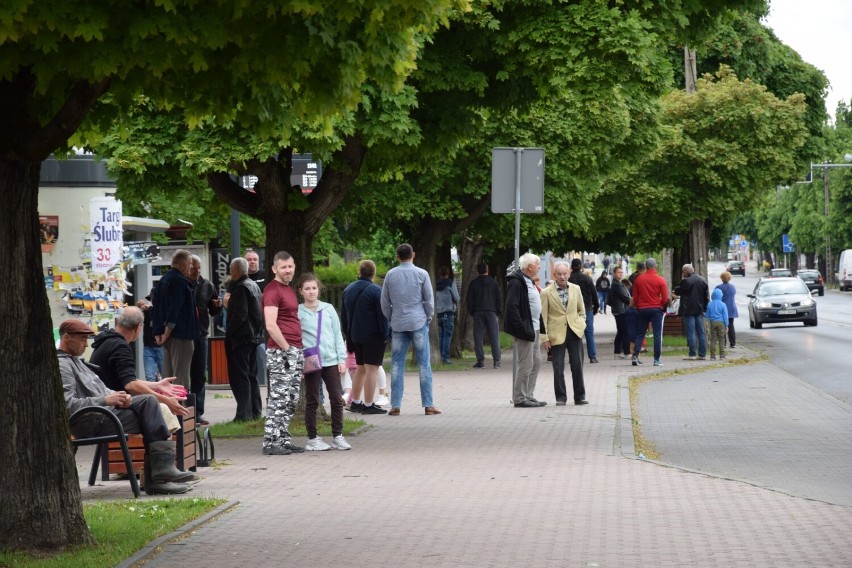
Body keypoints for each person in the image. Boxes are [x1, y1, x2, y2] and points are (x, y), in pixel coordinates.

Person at [59, 319, 196, 495]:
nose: (86, 344)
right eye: (82, 339)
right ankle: (159, 476)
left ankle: (160, 474)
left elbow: (103, 389)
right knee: (152, 410)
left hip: (102, 414)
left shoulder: (75, 361)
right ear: (67, 338)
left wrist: (122, 398)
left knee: (150, 404)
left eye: (87, 339)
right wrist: (106, 400)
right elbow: (67, 405)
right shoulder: (63, 365)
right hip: (91, 420)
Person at [89, 306, 191, 422]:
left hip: (102, 405)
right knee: (161, 409)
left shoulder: (107, 341)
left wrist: (157, 385)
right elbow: (131, 385)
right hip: (109, 410)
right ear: (138, 327)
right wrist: (166, 400)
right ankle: (161, 440)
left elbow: (127, 379)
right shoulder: (120, 347)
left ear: (118, 322)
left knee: (156, 405)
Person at [381, 243, 441, 416]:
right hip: (418, 321)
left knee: (397, 364)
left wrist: (391, 317)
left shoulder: (390, 275)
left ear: (397, 256)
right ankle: (428, 405)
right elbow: (429, 300)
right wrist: (427, 317)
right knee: (424, 363)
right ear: (413, 255)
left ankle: (396, 405)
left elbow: (384, 301)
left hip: (399, 323)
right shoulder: (422, 274)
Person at [297, 273, 350, 451]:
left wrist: (341, 359)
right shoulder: (298, 312)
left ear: (319, 289)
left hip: (331, 360)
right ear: (301, 291)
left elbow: (337, 334)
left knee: (336, 398)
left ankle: (338, 436)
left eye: (314, 288)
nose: (311, 292)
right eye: (307, 288)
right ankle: (313, 438)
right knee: (312, 399)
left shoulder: (328, 309)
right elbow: (296, 339)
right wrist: (299, 365)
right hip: (311, 359)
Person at [262, 251, 306, 455]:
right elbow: (271, 325)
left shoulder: (288, 289)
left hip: (294, 349)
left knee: (290, 399)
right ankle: (270, 442)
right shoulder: (272, 290)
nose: (288, 270)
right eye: (283, 267)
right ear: (274, 269)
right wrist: (287, 349)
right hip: (281, 351)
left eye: (290, 266)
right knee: (279, 399)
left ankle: (283, 439)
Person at [340, 260, 390, 415]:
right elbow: (382, 315)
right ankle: (368, 404)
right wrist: (385, 334)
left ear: (359, 272)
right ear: (373, 273)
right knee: (372, 369)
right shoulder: (376, 290)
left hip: (354, 335)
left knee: (360, 369)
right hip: (372, 335)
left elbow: (344, 316)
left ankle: (355, 402)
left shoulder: (348, 289)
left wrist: (347, 334)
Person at [540, 260, 588, 406]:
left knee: (577, 365)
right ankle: (561, 397)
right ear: (554, 275)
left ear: (569, 274)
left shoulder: (576, 289)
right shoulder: (546, 292)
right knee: (558, 367)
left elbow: (582, 310)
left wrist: (581, 324)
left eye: (565, 274)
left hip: (574, 331)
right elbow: (543, 317)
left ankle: (579, 396)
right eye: (559, 274)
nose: (562, 277)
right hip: (556, 334)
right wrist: (544, 338)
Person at [152, 249, 199, 388]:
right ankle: (180, 408)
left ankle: (169, 408)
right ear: (183, 265)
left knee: (168, 376)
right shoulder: (180, 281)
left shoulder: (163, 280)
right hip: (181, 334)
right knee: (181, 377)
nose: (191, 268)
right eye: (190, 264)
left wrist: (158, 333)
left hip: (167, 336)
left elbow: (157, 307)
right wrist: (167, 331)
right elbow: (175, 308)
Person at [225, 257, 265, 422]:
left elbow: (240, 315)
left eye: (230, 269)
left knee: (240, 377)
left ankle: (243, 414)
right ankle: (255, 412)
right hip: (253, 337)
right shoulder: (254, 285)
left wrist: (230, 332)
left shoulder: (241, 288)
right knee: (251, 376)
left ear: (235, 270)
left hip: (241, 338)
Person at [504, 252, 546, 408]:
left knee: (537, 362)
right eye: (537, 265)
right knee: (526, 364)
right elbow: (512, 307)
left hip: (533, 328)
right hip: (525, 330)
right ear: (529, 267)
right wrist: (521, 327)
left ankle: (529, 394)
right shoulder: (516, 282)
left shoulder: (529, 281)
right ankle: (520, 398)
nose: (539, 267)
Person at [188, 255, 222, 425]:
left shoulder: (207, 285)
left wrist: (217, 306)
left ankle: (197, 412)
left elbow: (214, 311)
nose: (196, 271)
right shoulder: (182, 284)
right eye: (193, 267)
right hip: (184, 336)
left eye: (198, 268)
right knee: (183, 374)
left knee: (199, 375)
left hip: (201, 335)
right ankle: (183, 410)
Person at [631, 258, 669, 367]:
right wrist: (661, 306)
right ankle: (656, 359)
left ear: (646, 266)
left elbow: (635, 297)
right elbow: (665, 298)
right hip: (656, 309)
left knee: (640, 333)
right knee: (657, 335)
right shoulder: (660, 280)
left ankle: (635, 356)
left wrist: (639, 306)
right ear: (655, 266)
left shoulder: (639, 279)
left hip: (642, 309)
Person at [466, 262, 502, 369]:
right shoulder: (493, 283)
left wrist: (471, 311)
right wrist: (498, 311)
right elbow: (498, 298)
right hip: (491, 311)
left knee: (478, 336)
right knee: (494, 336)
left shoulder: (473, 283)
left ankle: (480, 361)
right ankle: (496, 361)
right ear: (487, 270)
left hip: (478, 312)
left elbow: (469, 299)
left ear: (478, 271)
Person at [673, 264, 709, 361]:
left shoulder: (686, 281)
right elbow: (706, 297)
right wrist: (704, 308)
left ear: (685, 272)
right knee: (701, 332)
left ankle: (692, 354)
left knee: (691, 332)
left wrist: (681, 280)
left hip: (688, 310)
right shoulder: (702, 280)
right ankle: (702, 354)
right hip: (699, 310)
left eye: (683, 272)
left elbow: (677, 291)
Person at [244, 249, 268, 390]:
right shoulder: (241, 277)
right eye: (249, 259)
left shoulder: (265, 276)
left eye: (254, 259)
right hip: (248, 326)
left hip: (265, 322)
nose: (252, 262)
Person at [569, 258, 599, 363]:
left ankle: (574, 357)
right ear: (581, 266)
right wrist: (596, 307)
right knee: (589, 333)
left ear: (571, 267)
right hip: (587, 308)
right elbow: (594, 294)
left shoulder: (569, 279)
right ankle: (592, 357)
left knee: (574, 333)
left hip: (573, 310)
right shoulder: (587, 278)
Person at [435, 266, 460, 364]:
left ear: (439, 274)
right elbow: (457, 297)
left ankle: (439, 355)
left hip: (438, 313)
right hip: (448, 312)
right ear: (448, 274)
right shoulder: (450, 283)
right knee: (447, 336)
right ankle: (445, 357)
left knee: (440, 335)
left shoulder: (434, 284)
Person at [138, 285, 163, 382]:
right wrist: (139, 307)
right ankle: (154, 396)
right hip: (148, 347)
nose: (153, 300)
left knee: (166, 375)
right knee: (150, 377)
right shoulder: (147, 311)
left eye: (155, 298)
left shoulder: (163, 311)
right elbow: (136, 317)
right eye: (152, 298)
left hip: (162, 346)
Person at [608, 266, 632, 358]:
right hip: (621, 310)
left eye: (622, 272)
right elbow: (624, 297)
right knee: (625, 331)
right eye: (619, 272)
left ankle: (617, 352)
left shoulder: (619, 283)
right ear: (614, 273)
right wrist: (632, 302)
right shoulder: (617, 284)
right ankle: (627, 352)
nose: (621, 274)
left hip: (620, 310)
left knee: (621, 331)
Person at [716, 271, 738, 348]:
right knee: (731, 325)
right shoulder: (732, 287)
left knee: (722, 326)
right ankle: (733, 343)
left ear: (721, 278)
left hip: (722, 309)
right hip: (732, 308)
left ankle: (723, 343)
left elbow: (716, 298)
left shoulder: (719, 288)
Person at [705, 288, 729, 360]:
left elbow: (707, 315)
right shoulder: (723, 304)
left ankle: (712, 356)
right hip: (721, 323)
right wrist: (726, 325)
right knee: (721, 339)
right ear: (721, 295)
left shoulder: (710, 304)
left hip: (712, 322)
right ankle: (722, 355)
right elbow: (725, 315)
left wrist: (707, 324)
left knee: (713, 339)